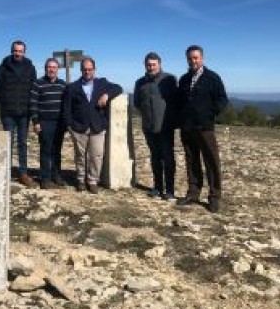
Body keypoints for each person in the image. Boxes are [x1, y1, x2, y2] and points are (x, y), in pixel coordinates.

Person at [176, 45, 228, 213]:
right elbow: (179, 101)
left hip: (205, 127)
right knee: (192, 161)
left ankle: (214, 197)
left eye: (195, 58)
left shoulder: (212, 77)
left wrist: (210, 114)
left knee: (211, 162)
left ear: (202, 58)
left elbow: (222, 99)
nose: (193, 61)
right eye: (190, 58)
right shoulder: (184, 79)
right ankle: (193, 193)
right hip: (187, 127)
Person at [63, 57, 123, 193]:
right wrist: (70, 126)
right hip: (78, 128)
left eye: (90, 69)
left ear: (94, 70)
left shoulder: (102, 83)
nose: (87, 72)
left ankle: (92, 180)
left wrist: (107, 95)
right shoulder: (72, 87)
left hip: (98, 126)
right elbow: (66, 108)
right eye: (84, 69)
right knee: (80, 156)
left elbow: (118, 88)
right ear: (81, 70)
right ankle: (80, 180)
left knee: (97, 155)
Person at [133, 52, 178, 201]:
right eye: (148, 64)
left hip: (165, 127)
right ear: (145, 65)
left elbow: (175, 102)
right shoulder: (140, 83)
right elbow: (137, 103)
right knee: (155, 158)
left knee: (168, 159)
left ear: (159, 64)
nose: (151, 67)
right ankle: (157, 188)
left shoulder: (170, 80)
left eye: (154, 64)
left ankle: (170, 190)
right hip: (149, 127)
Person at [0, 39, 37, 187]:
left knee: (23, 143)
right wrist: (4, 102)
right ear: (12, 51)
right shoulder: (3, 67)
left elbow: (33, 88)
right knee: (8, 142)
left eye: (20, 51)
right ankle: (7, 171)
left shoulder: (30, 68)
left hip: (25, 112)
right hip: (8, 112)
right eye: (15, 50)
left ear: (24, 52)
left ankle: (23, 173)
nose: (17, 53)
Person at [29, 58, 67, 189]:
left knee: (57, 151)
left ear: (58, 69)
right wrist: (35, 122)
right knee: (45, 151)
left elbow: (66, 104)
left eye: (54, 67)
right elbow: (33, 104)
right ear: (45, 69)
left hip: (59, 123)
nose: (52, 69)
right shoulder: (38, 83)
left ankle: (56, 176)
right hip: (44, 122)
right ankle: (45, 179)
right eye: (49, 67)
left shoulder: (63, 84)